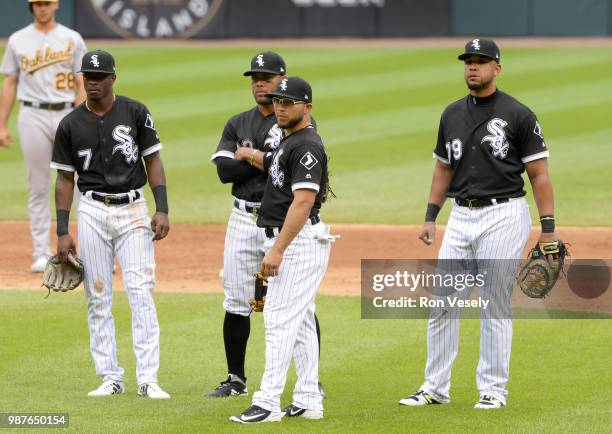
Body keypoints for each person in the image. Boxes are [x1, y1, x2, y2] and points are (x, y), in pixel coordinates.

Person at [400, 38, 556, 409]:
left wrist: (548, 227)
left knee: (493, 301)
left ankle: (493, 390)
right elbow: (443, 167)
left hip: (504, 214)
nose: (473, 67)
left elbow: (539, 175)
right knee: (444, 303)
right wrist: (430, 216)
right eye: (469, 61)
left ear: (496, 68)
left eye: (481, 61)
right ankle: (435, 388)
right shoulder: (451, 113)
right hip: (460, 216)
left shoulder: (519, 114)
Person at [51, 50, 171, 399]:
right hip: (91, 212)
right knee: (97, 295)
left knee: (140, 292)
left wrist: (161, 208)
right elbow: (63, 180)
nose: (92, 81)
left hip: (132, 209)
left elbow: (154, 160)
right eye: (87, 75)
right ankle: (110, 377)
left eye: (99, 76)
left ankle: (148, 378)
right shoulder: (70, 124)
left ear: (113, 78)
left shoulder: (135, 111)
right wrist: (62, 230)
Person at [206, 52, 324, 398]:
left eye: (267, 78)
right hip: (243, 217)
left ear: (281, 80)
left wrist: (252, 155)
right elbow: (224, 172)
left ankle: (310, 381)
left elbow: (288, 167)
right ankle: (235, 379)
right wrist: (268, 160)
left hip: (284, 220)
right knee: (236, 300)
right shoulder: (238, 122)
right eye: (255, 78)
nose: (260, 83)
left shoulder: (297, 122)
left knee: (300, 305)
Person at [230, 76, 334, 423]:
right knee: (301, 321)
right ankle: (307, 399)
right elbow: (274, 165)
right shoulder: (289, 142)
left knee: (277, 319)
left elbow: (302, 203)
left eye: (288, 102)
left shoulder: (307, 146)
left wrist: (276, 251)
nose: (280, 107)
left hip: (298, 241)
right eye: (277, 100)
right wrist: (250, 154)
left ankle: (267, 402)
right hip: (294, 240)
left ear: (307, 108)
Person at [0, 0, 87, 272]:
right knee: (38, 185)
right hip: (32, 115)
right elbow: (10, 82)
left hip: (66, 114)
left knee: (81, 185)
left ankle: (89, 250)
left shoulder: (72, 39)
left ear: (56, 4)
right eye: (37, 3)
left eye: (46, 3)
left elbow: (81, 82)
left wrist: (80, 118)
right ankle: (40, 252)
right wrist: (2, 124)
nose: (42, 8)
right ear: (31, 6)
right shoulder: (18, 40)